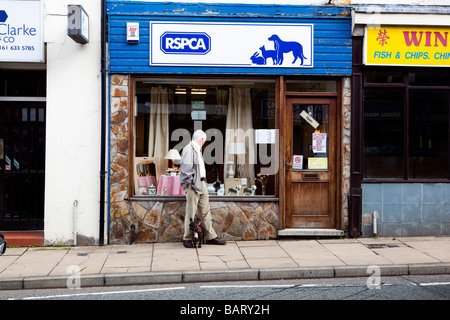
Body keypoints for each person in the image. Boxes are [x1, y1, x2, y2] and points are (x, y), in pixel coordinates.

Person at [180, 130, 226, 248]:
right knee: (191, 211)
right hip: (193, 184)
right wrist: (189, 184)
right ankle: (187, 238)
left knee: (205, 211)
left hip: (201, 182)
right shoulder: (189, 149)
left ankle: (210, 236)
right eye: (204, 141)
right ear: (201, 140)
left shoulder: (196, 149)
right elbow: (186, 168)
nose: (204, 143)